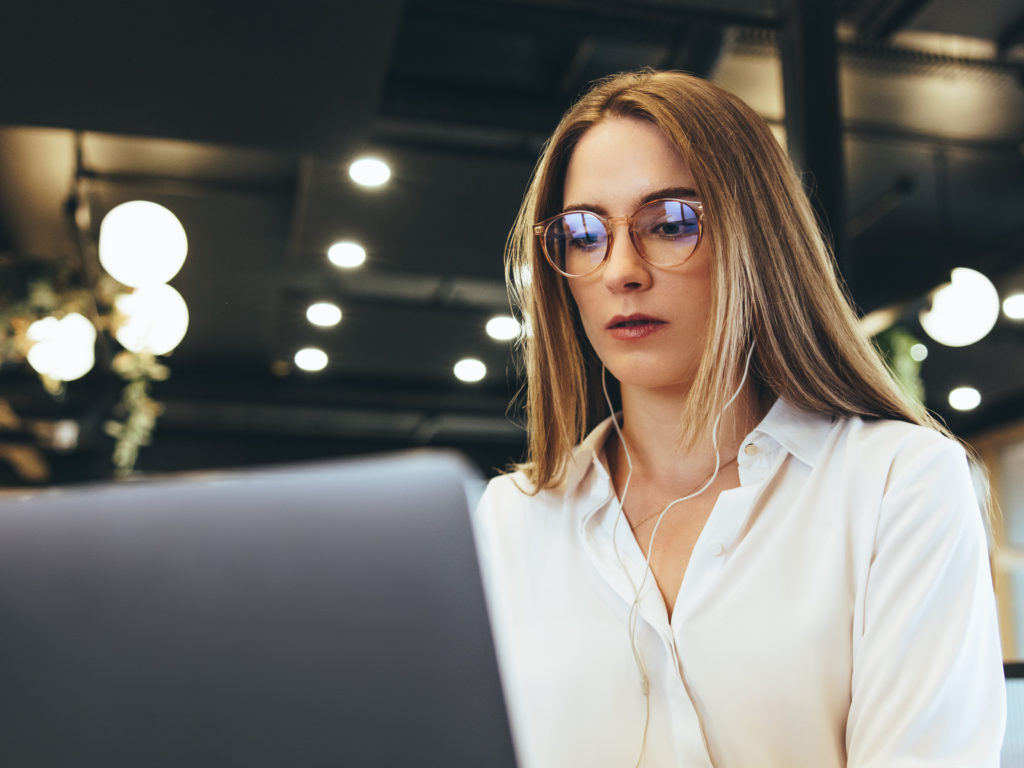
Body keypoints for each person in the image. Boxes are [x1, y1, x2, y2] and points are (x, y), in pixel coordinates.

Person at [473, 69, 1006, 768]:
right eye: (583, 233)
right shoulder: (513, 518)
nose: (620, 270)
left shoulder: (896, 484)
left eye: (671, 223)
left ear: (755, 240)